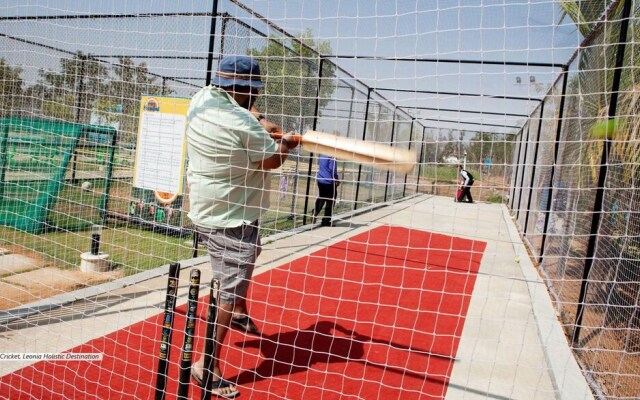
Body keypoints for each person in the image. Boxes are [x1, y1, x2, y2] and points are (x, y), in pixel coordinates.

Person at [185, 55, 299, 398]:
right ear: (245, 91)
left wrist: (262, 121)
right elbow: (273, 160)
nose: (257, 100)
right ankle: (207, 366)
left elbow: (249, 118)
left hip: (204, 209)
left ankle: (237, 310)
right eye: (255, 94)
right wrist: (286, 145)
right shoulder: (245, 127)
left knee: (251, 252)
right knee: (228, 288)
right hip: (233, 219)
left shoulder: (203, 99)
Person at [312, 155, 340, 227]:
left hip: (320, 179)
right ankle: (326, 220)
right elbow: (332, 170)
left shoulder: (322, 155)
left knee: (322, 197)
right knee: (331, 200)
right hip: (329, 181)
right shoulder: (332, 157)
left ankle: (315, 211)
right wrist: (336, 179)